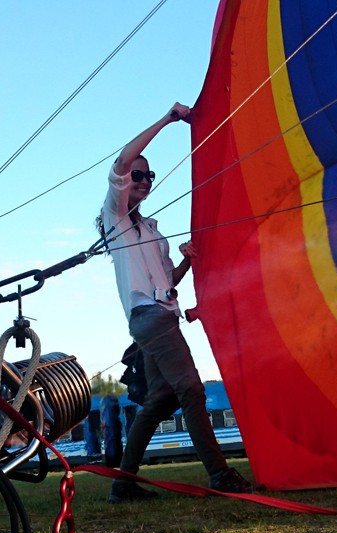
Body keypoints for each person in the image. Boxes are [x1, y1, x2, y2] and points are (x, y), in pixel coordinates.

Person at [98, 102, 252, 503]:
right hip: (152, 319)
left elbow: (169, 282)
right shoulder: (115, 218)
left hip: (160, 316)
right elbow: (120, 161)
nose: (144, 179)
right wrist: (168, 120)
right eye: (138, 175)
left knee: (159, 399)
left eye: (149, 176)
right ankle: (219, 474)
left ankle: (123, 483)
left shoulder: (151, 230)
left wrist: (186, 259)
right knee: (191, 390)